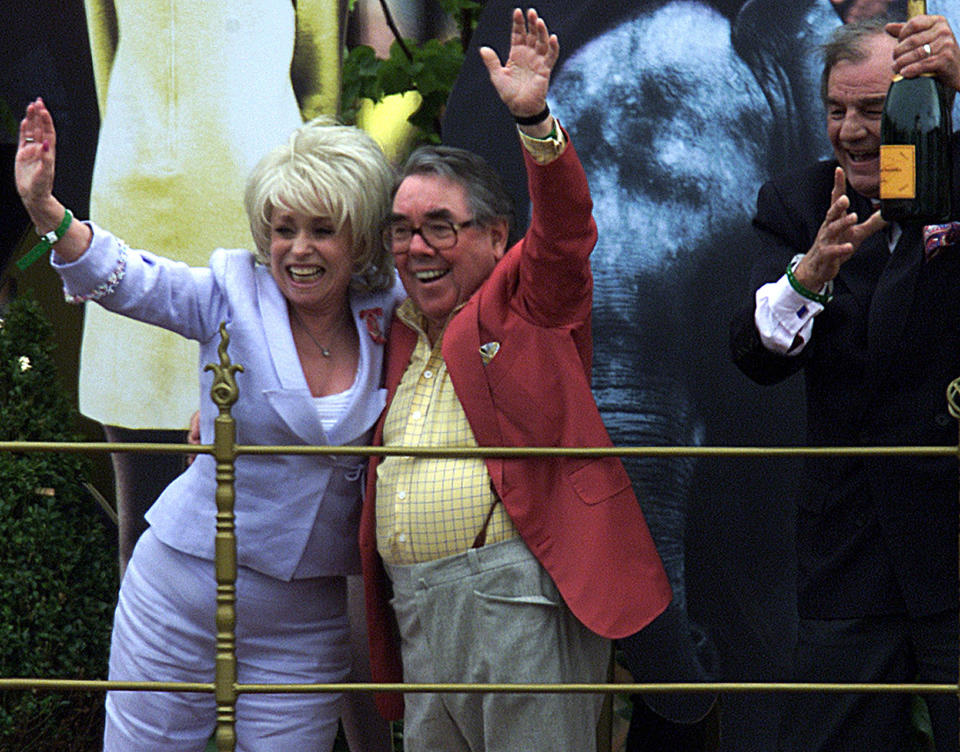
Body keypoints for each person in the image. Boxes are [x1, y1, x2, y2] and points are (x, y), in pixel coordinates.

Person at [15, 100, 404, 751]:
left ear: (359, 237)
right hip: (181, 592)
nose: (298, 249)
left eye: (321, 230)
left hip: (305, 622)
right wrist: (45, 212)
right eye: (282, 229)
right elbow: (126, 277)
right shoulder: (231, 292)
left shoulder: (392, 311)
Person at [357, 8, 672, 751]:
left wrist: (534, 119)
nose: (416, 247)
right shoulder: (391, 329)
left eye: (440, 225)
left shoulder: (528, 303)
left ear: (497, 236)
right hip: (417, 612)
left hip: (514, 602)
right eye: (401, 230)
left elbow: (565, 231)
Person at [730, 14, 960, 752]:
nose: (855, 131)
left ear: (919, 110)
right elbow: (754, 354)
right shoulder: (797, 204)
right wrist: (809, 277)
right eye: (839, 110)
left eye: (875, 109)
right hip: (849, 548)